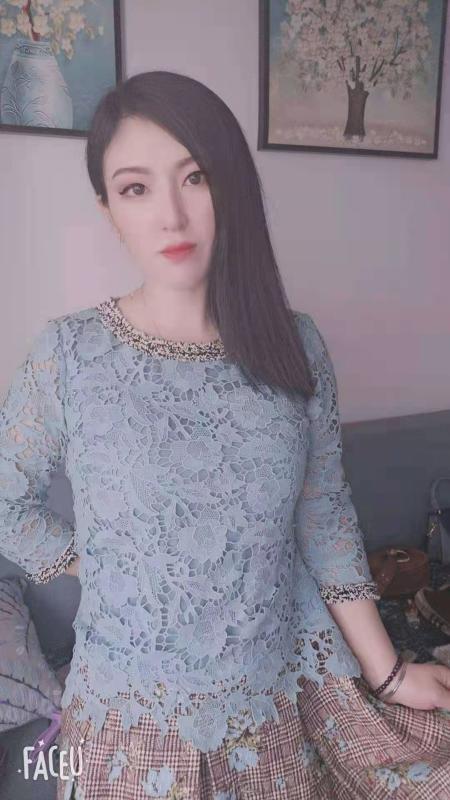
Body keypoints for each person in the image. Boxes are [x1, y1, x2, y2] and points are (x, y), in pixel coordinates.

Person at [0, 70, 449, 800]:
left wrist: (390, 674)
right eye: (136, 188)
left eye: (196, 177)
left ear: (233, 186)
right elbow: (5, 499)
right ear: (109, 211)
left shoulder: (296, 344)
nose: (171, 216)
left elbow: (324, 519)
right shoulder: (69, 354)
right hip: (125, 726)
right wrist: (104, 562)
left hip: (268, 717)